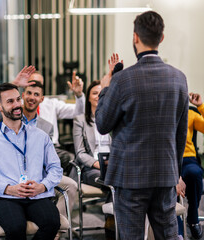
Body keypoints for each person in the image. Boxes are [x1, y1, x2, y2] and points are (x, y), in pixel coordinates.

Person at [95, 11, 188, 239]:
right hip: (165, 174)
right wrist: (174, 173)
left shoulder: (123, 80)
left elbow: (102, 124)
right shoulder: (179, 78)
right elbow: (181, 132)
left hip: (130, 176)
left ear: (135, 37)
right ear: (162, 38)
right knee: (167, 235)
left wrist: (105, 87)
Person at [0, 80, 77, 232]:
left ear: (42, 99)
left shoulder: (44, 129)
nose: (31, 98)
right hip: (10, 186)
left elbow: (52, 164)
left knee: (54, 218)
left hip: (37, 179)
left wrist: (42, 184)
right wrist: (13, 83)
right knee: (16, 226)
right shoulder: (4, 123)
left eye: (36, 94)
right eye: (28, 93)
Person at [27, 70, 84, 174]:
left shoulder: (51, 103)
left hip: (52, 148)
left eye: (39, 84)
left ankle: (68, 188)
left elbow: (78, 112)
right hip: (29, 149)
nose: (36, 86)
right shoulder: (18, 105)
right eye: (32, 83)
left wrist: (79, 95)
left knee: (71, 160)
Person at [176, 92, 204, 239]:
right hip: (168, 159)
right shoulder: (162, 112)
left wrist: (200, 106)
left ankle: (193, 219)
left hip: (187, 158)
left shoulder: (190, 114)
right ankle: (176, 222)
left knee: (194, 173)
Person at [73, 80, 111, 187]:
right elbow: (80, 153)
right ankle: (110, 204)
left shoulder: (112, 120)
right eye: (94, 93)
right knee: (111, 182)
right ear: (88, 98)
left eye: (101, 93)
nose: (98, 96)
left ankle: (108, 204)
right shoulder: (80, 121)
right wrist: (97, 164)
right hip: (91, 168)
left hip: (113, 166)